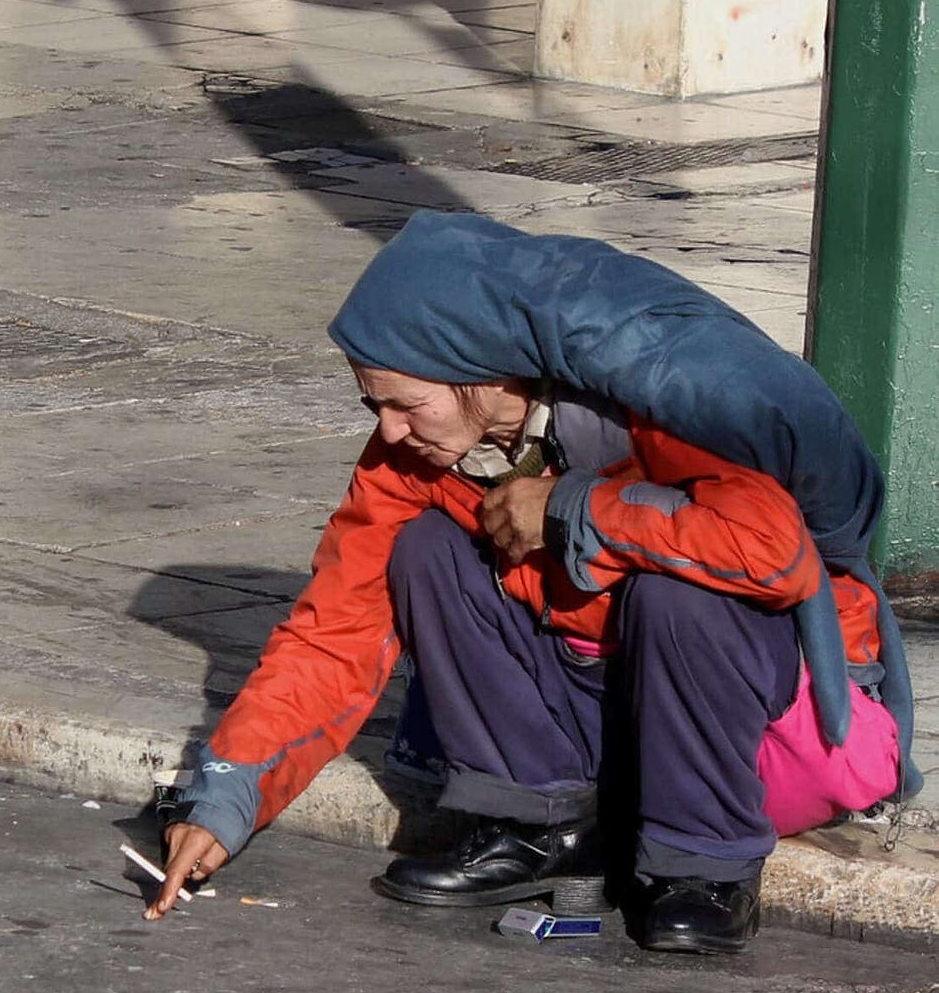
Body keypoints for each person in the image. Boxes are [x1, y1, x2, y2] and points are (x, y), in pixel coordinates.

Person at [143, 212, 919, 954]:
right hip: (617, 711)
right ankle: (543, 822)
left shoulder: (655, 417)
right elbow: (331, 634)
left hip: (767, 742)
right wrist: (226, 798)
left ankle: (703, 867)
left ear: (480, 378)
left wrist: (580, 508)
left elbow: (774, 553)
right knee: (426, 550)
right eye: (372, 405)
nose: (387, 431)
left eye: (404, 404)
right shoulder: (413, 458)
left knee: (678, 592)